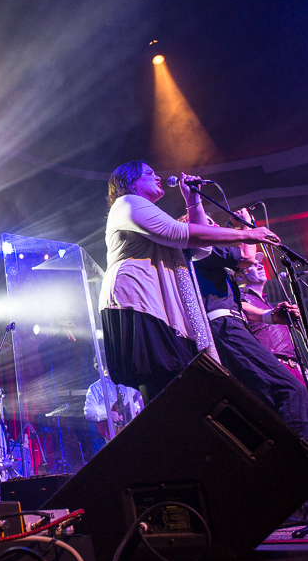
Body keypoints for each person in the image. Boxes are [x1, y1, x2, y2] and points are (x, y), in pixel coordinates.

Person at [99, 161, 282, 402]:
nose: (158, 177)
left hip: (155, 305)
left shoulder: (144, 212)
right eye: (150, 173)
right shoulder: (127, 203)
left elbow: (200, 248)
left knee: (175, 383)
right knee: (164, 383)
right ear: (131, 182)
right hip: (136, 302)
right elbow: (180, 233)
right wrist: (248, 234)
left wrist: (193, 200)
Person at [191, 209, 308, 452]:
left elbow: (238, 305)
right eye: (207, 224)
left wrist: (270, 316)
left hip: (229, 323)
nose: (214, 228)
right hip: (224, 327)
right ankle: (303, 469)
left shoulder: (218, 268)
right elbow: (247, 256)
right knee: (288, 391)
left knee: (271, 402)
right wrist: (245, 227)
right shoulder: (200, 250)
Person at [234, 252, 308, 388]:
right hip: (271, 368)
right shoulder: (238, 296)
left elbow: (285, 351)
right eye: (253, 265)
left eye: (260, 264)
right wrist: (269, 315)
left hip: (291, 370)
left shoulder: (268, 305)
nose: (260, 266)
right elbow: (239, 306)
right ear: (239, 276)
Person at [83, 375, 145, 440]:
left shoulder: (123, 386)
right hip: (114, 434)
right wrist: (109, 414)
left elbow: (140, 399)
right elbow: (88, 411)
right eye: (97, 366)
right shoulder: (96, 387)